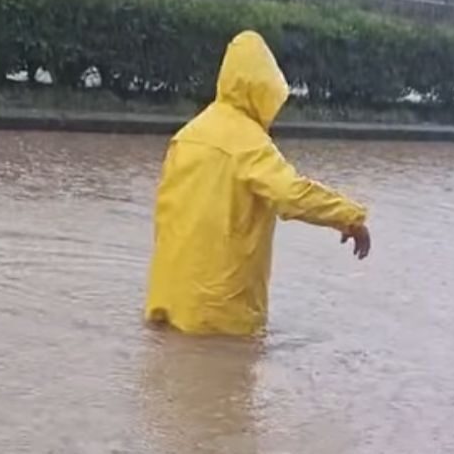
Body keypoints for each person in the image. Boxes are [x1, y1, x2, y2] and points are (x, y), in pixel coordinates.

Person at [145, 30, 370, 336]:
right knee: (233, 367)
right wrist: (349, 216)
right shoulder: (249, 144)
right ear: (263, 89)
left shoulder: (186, 136)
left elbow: (164, 213)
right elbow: (291, 194)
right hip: (218, 312)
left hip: (168, 297)